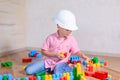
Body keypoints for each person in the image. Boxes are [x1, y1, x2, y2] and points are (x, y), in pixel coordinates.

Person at [25, 10, 89, 75]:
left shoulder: (71, 39)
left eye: (71, 30)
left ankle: (69, 67)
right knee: (28, 71)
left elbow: (76, 51)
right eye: (67, 30)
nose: (69, 32)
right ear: (58, 26)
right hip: (48, 62)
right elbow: (43, 51)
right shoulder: (50, 38)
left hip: (61, 62)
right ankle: (50, 69)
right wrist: (55, 55)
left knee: (58, 73)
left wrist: (83, 56)